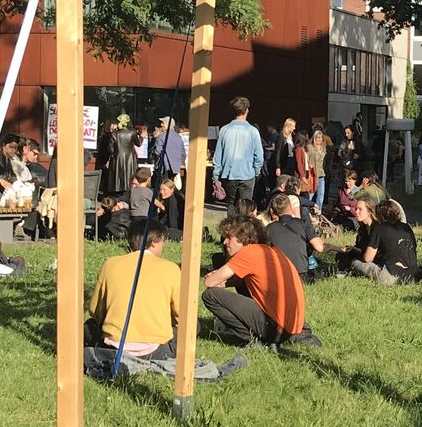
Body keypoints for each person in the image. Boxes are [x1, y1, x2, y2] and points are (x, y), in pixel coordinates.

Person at [202, 218, 308, 346]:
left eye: (229, 238)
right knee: (242, 283)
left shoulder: (248, 253)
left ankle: (252, 339)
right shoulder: (270, 250)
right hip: (291, 327)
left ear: (244, 238)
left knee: (210, 295)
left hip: (276, 329)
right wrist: (224, 282)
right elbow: (237, 280)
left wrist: (216, 277)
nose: (225, 242)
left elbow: (209, 282)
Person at [87, 219, 181, 360]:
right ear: (155, 241)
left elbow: (95, 311)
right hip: (156, 349)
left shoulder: (110, 264)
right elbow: (181, 315)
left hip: (114, 345)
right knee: (192, 326)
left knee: (88, 326)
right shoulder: (171, 268)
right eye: (163, 241)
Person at [212, 96, 264, 216]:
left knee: (231, 205)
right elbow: (259, 156)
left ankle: (229, 231)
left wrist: (216, 175)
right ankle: (244, 233)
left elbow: (218, 155)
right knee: (246, 207)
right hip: (247, 174)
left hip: (229, 174)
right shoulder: (253, 131)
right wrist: (256, 171)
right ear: (246, 110)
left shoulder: (224, 130)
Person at [265, 192, 324, 281]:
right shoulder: (303, 223)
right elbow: (319, 247)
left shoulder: (269, 229)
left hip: (278, 274)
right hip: (300, 273)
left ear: (273, 210)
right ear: (290, 207)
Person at [108, 114, 141, 197]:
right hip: (130, 158)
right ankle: (128, 191)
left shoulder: (114, 134)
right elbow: (138, 143)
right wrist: (142, 137)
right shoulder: (132, 133)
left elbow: (110, 149)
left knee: (118, 177)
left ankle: (117, 193)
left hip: (118, 158)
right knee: (129, 175)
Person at [151, 116, 186, 182]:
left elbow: (157, 152)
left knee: (163, 187)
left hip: (164, 168)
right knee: (171, 186)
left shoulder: (161, 137)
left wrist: (154, 139)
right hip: (175, 169)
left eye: (163, 123)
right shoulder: (178, 137)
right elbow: (183, 153)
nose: (161, 125)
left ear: (168, 124)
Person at [306, 126, 328, 212]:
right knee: (311, 193)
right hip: (313, 174)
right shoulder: (310, 147)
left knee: (321, 194)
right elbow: (306, 159)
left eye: (321, 138)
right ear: (314, 138)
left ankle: (319, 210)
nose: (319, 139)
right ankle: (307, 210)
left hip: (321, 173)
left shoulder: (323, 148)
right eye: (317, 137)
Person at [274, 118, 297, 186]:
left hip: (291, 162)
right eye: (293, 126)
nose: (294, 128)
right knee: (284, 181)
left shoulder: (291, 137)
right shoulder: (281, 136)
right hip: (284, 163)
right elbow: (278, 152)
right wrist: (278, 167)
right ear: (288, 126)